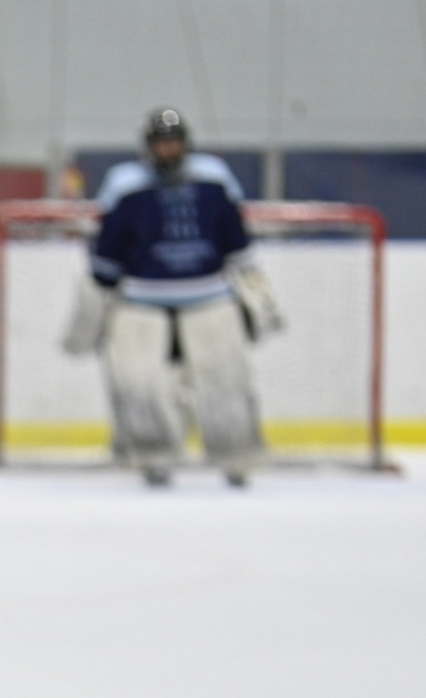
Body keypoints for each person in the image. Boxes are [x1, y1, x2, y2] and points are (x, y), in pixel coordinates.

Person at [64, 106, 284, 488]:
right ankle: (152, 456)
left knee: (226, 382)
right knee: (138, 385)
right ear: (148, 146)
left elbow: (236, 242)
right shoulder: (124, 184)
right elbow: (108, 250)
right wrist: (97, 301)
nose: (169, 149)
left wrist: (255, 292)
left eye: (175, 141)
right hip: (140, 301)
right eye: (162, 143)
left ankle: (237, 456)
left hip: (210, 298)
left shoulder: (214, 178)